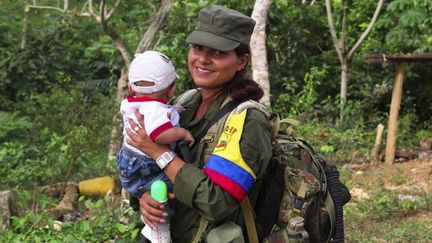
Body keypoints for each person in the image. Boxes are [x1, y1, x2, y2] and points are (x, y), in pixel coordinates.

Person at [126, 5, 273, 243]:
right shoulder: (183, 103)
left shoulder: (246, 119)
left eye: (217, 52)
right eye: (197, 48)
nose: (202, 59)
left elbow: (217, 201)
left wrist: (159, 153)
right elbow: (146, 166)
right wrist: (143, 197)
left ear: (241, 61)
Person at [117, 51, 195, 240]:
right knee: (176, 188)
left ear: (129, 87)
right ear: (170, 90)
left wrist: (173, 110)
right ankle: (160, 233)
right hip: (146, 166)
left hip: (127, 164)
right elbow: (159, 134)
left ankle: (151, 224)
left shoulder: (132, 104)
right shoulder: (155, 109)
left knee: (159, 190)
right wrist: (182, 133)